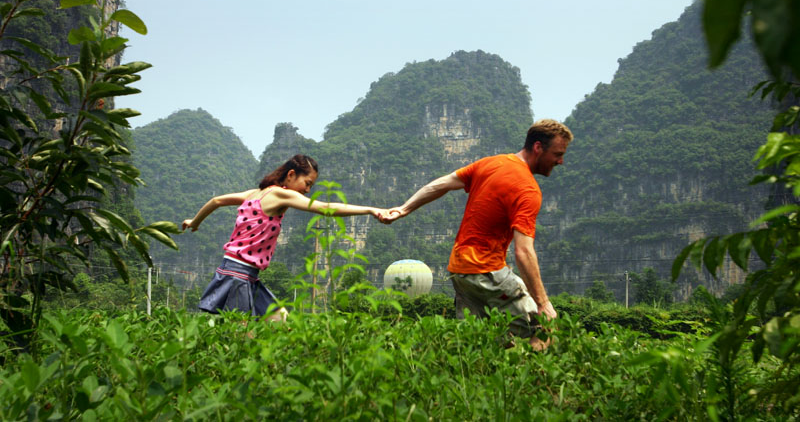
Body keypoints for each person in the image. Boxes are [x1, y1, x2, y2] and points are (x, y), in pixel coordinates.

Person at [381, 119, 573, 350]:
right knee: (547, 327)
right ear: (538, 147)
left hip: (460, 270)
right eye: (557, 154)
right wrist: (543, 303)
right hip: (486, 270)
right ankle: (536, 381)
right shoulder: (527, 189)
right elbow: (523, 251)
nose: (561, 161)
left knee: (485, 341)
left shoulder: (491, 164)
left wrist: (404, 208)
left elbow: (440, 184)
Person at [183, 154, 386, 322]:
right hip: (238, 275)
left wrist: (195, 221)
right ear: (291, 174)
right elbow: (325, 208)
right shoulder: (281, 194)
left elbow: (217, 200)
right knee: (243, 336)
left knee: (283, 322)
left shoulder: (256, 193)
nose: (307, 190)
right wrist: (370, 210)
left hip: (244, 274)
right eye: (307, 183)